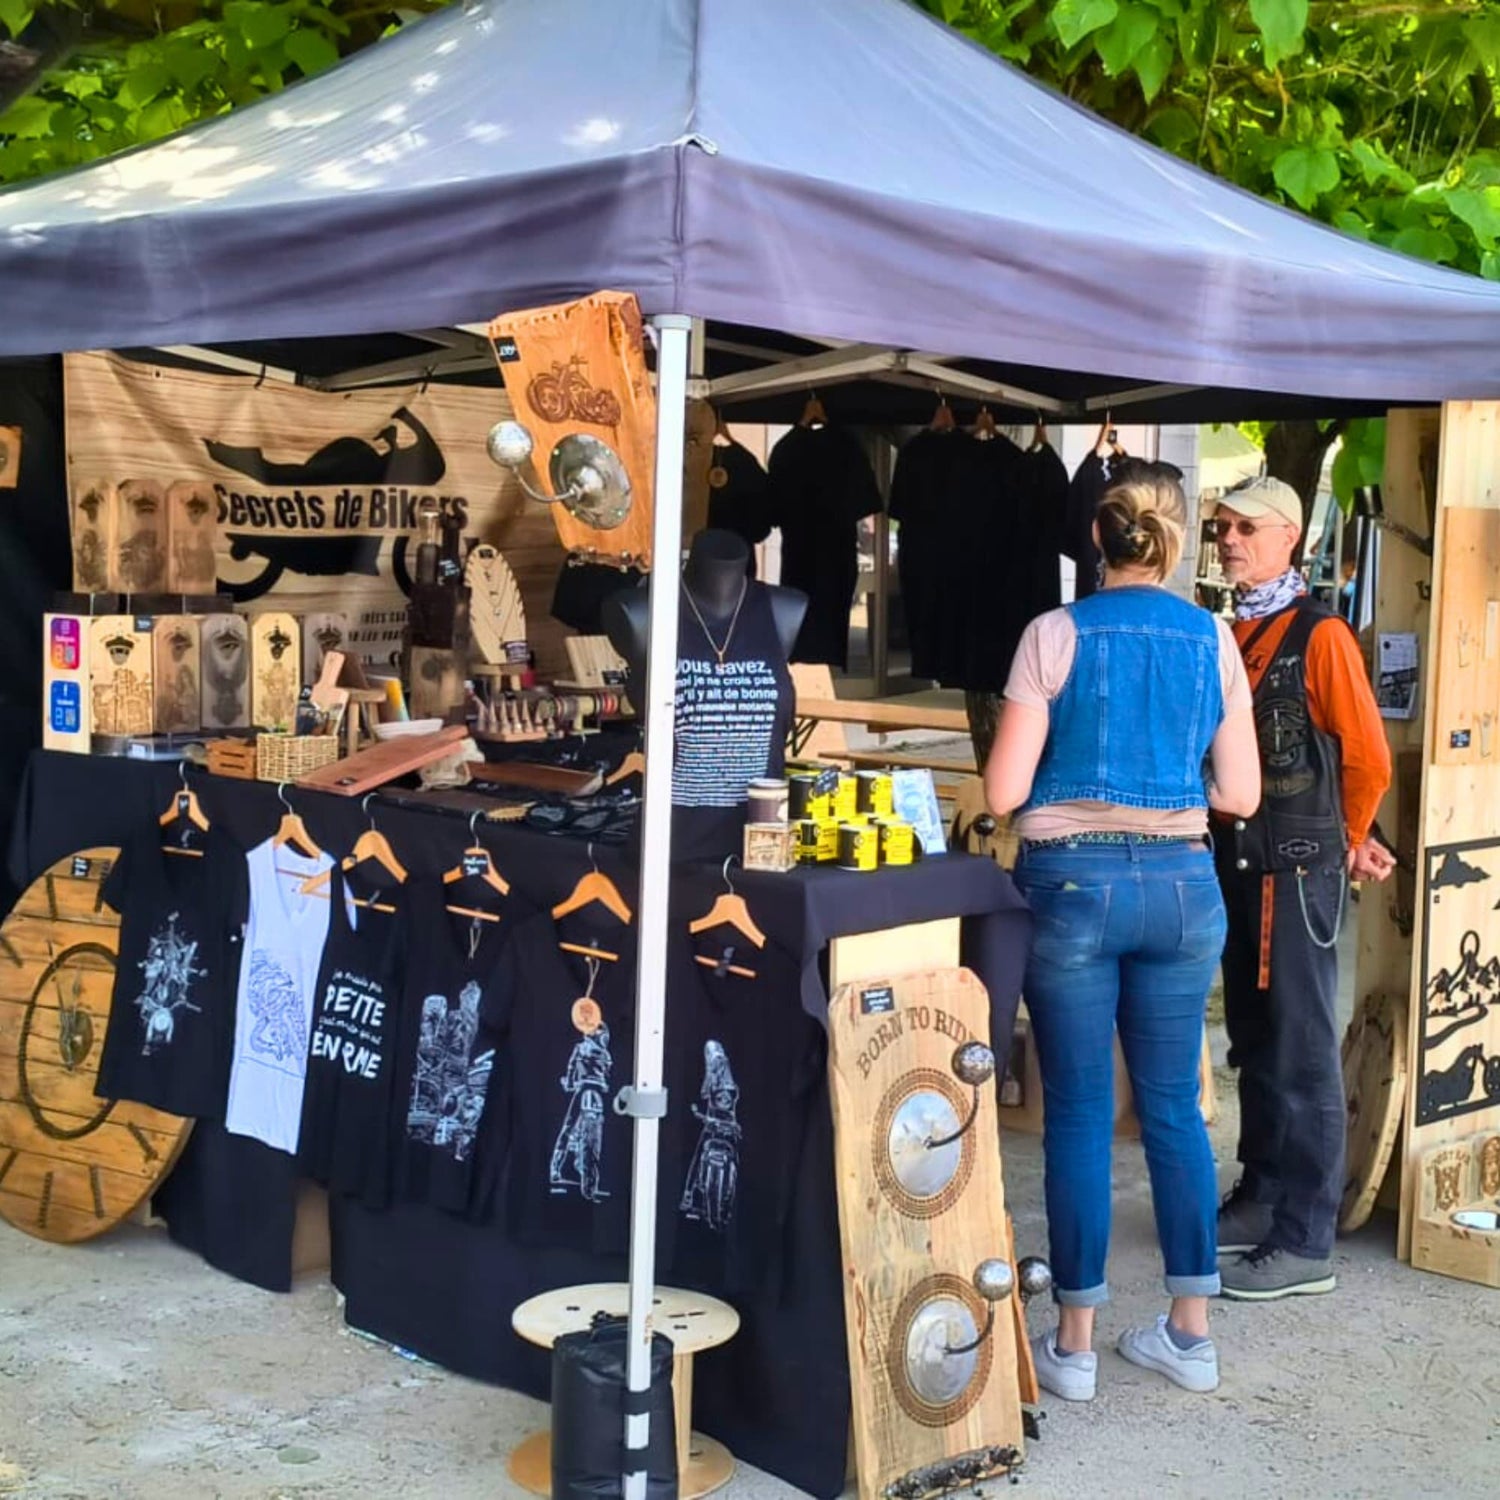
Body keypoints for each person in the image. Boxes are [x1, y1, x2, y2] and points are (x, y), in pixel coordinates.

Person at [986, 470, 1260, 1402]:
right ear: (1174, 542)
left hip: (1072, 884)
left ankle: (1074, 1344)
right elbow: (1240, 794)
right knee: (1176, 1108)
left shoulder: (1053, 634)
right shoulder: (1214, 637)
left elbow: (1001, 794)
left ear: (1093, 540)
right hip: (1183, 886)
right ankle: (1191, 1333)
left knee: (1076, 1111)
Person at [1210, 475, 1394, 1300]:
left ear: (1288, 535)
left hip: (1298, 864)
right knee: (1255, 1036)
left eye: (1246, 527)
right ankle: (1264, 1191)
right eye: (1221, 527)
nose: (1229, 539)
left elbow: (1367, 758)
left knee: (1304, 1048)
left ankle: (1306, 1235)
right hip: (1244, 862)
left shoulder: (1319, 636)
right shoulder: (1237, 627)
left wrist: (1349, 842)